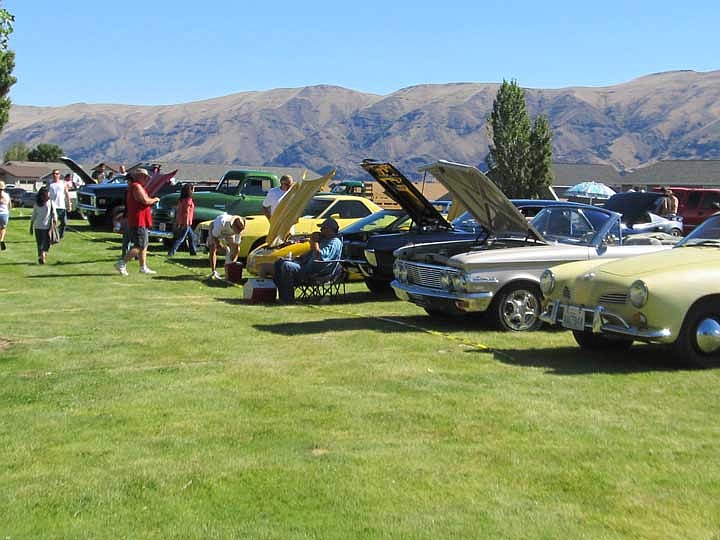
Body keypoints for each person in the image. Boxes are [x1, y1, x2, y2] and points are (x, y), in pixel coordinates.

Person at [273, 217, 343, 304]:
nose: (320, 230)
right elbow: (309, 255)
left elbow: (320, 256)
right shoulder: (324, 240)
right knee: (279, 262)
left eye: (323, 228)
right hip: (306, 267)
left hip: (317, 272)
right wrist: (296, 259)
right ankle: (280, 296)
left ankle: (288, 299)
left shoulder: (334, 242)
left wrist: (314, 241)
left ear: (330, 230)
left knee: (286, 266)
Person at [114, 168, 160, 276]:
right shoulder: (136, 186)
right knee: (138, 245)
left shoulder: (137, 187)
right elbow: (144, 200)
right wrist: (154, 200)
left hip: (141, 220)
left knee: (144, 244)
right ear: (138, 176)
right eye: (144, 177)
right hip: (138, 220)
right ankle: (122, 263)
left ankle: (143, 267)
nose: (146, 179)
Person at [207, 213, 246, 280]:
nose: (238, 232)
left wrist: (232, 258)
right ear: (233, 225)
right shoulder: (221, 223)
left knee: (236, 250)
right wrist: (221, 246)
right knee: (213, 248)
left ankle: (229, 270)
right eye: (237, 230)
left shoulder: (238, 231)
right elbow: (215, 237)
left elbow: (236, 247)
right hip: (215, 230)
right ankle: (213, 272)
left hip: (229, 233)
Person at [168, 183, 198, 256]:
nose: (194, 190)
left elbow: (179, 211)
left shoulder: (181, 200)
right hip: (186, 222)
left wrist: (179, 221)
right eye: (193, 189)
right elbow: (186, 211)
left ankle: (193, 252)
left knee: (192, 237)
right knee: (181, 239)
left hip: (183, 221)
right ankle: (171, 252)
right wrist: (186, 222)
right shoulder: (188, 200)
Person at [30, 186, 57, 264]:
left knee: (42, 242)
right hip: (43, 226)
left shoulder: (44, 203)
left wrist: (31, 226)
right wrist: (55, 221)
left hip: (41, 226)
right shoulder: (46, 203)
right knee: (45, 242)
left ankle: (41, 255)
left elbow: (34, 215)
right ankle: (43, 255)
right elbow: (54, 214)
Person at [48, 169, 71, 239]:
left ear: (59, 175)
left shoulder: (63, 183)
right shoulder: (50, 184)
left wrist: (69, 204)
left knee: (64, 222)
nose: (55, 175)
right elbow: (47, 194)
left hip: (62, 206)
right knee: (53, 223)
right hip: (53, 207)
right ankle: (52, 236)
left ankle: (60, 235)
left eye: (57, 173)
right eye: (54, 174)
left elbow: (67, 194)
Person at [0, 180, 10, 250]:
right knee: (3, 228)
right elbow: (9, 206)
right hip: (4, 213)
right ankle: (2, 239)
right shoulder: (7, 195)